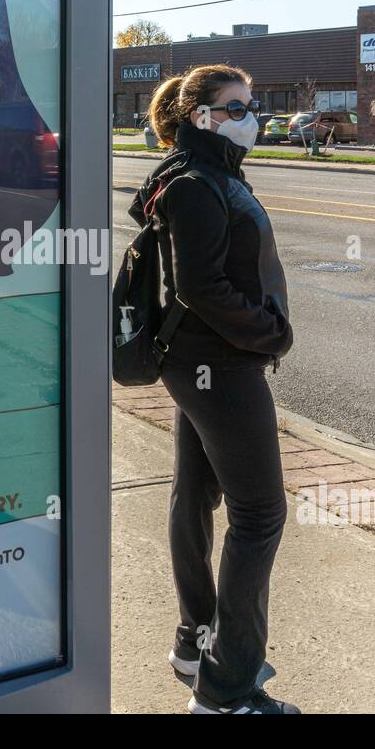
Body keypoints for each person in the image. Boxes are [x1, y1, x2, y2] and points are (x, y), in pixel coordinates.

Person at [129, 63, 297, 714]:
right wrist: (268, 334)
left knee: (194, 495)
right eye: (235, 106)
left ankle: (195, 643)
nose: (250, 115)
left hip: (198, 362)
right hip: (221, 364)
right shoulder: (197, 182)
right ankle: (226, 690)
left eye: (250, 104)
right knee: (260, 516)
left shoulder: (200, 170)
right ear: (200, 115)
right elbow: (198, 286)